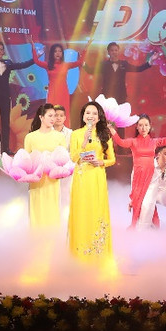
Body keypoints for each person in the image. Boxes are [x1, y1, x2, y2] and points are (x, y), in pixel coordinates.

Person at [113, 115, 166, 227]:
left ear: (150, 127)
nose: (143, 128)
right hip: (138, 178)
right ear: (137, 127)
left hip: (151, 179)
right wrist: (112, 130)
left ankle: (150, 227)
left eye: (146, 125)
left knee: (147, 205)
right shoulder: (133, 141)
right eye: (140, 125)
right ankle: (140, 228)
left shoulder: (154, 142)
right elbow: (120, 142)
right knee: (139, 204)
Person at [69, 100, 116, 263]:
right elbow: (73, 157)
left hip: (97, 177)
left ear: (99, 117)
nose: (91, 116)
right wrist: (84, 141)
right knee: (82, 212)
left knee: (96, 211)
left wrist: (101, 162)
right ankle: (79, 255)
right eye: (88, 113)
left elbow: (112, 159)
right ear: (83, 116)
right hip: (81, 179)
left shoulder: (105, 135)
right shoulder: (75, 134)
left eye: (94, 113)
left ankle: (97, 255)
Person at [23, 103, 64, 228]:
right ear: (41, 117)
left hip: (52, 181)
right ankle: (36, 238)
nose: (53, 119)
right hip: (36, 182)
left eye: (54, 116)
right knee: (37, 213)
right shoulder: (30, 137)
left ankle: (52, 238)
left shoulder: (60, 137)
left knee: (52, 212)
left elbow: (63, 159)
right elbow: (26, 161)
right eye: (50, 116)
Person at [138, 145, 166, 229]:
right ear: (159, 154)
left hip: (163, 192)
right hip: (148, 192)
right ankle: (142, 231)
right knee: (146, 207)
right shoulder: (149, 165)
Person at [33, 42, 77, 112]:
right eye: (55, 51)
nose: (58, 53)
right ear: (52, 54)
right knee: (52, 111)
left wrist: (86, 49)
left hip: (63, 92)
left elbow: (79, 62)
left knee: (62, 111)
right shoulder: (48, 65)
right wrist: (33, 47)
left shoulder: (66, 65)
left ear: (62, 53)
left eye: (60, 51)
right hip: (52, 92)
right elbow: (36, 61)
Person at [53, 105, 74, 207]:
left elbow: (73, 151)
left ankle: (65, 213)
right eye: (56, 115)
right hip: (51, 168)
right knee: (52, 195)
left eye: (61, 116)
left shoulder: (70, 133)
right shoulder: (47, 132)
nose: (58, 118)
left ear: (65, 118)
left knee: (65, 194)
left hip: (66, 167)